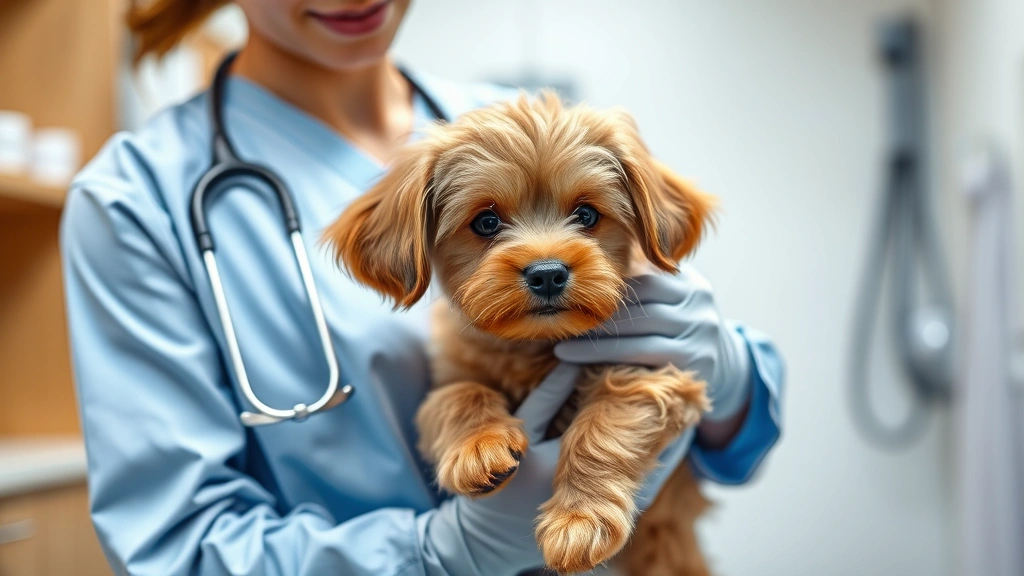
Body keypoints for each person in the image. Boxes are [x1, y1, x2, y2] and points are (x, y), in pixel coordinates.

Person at [59, 1, 784, 574]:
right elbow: (177, 548)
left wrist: (730, 372)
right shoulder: (135, 199)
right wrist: (441, 554)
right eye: (487, 223)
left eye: (581, 216)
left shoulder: (516, 119)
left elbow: (729, 430)